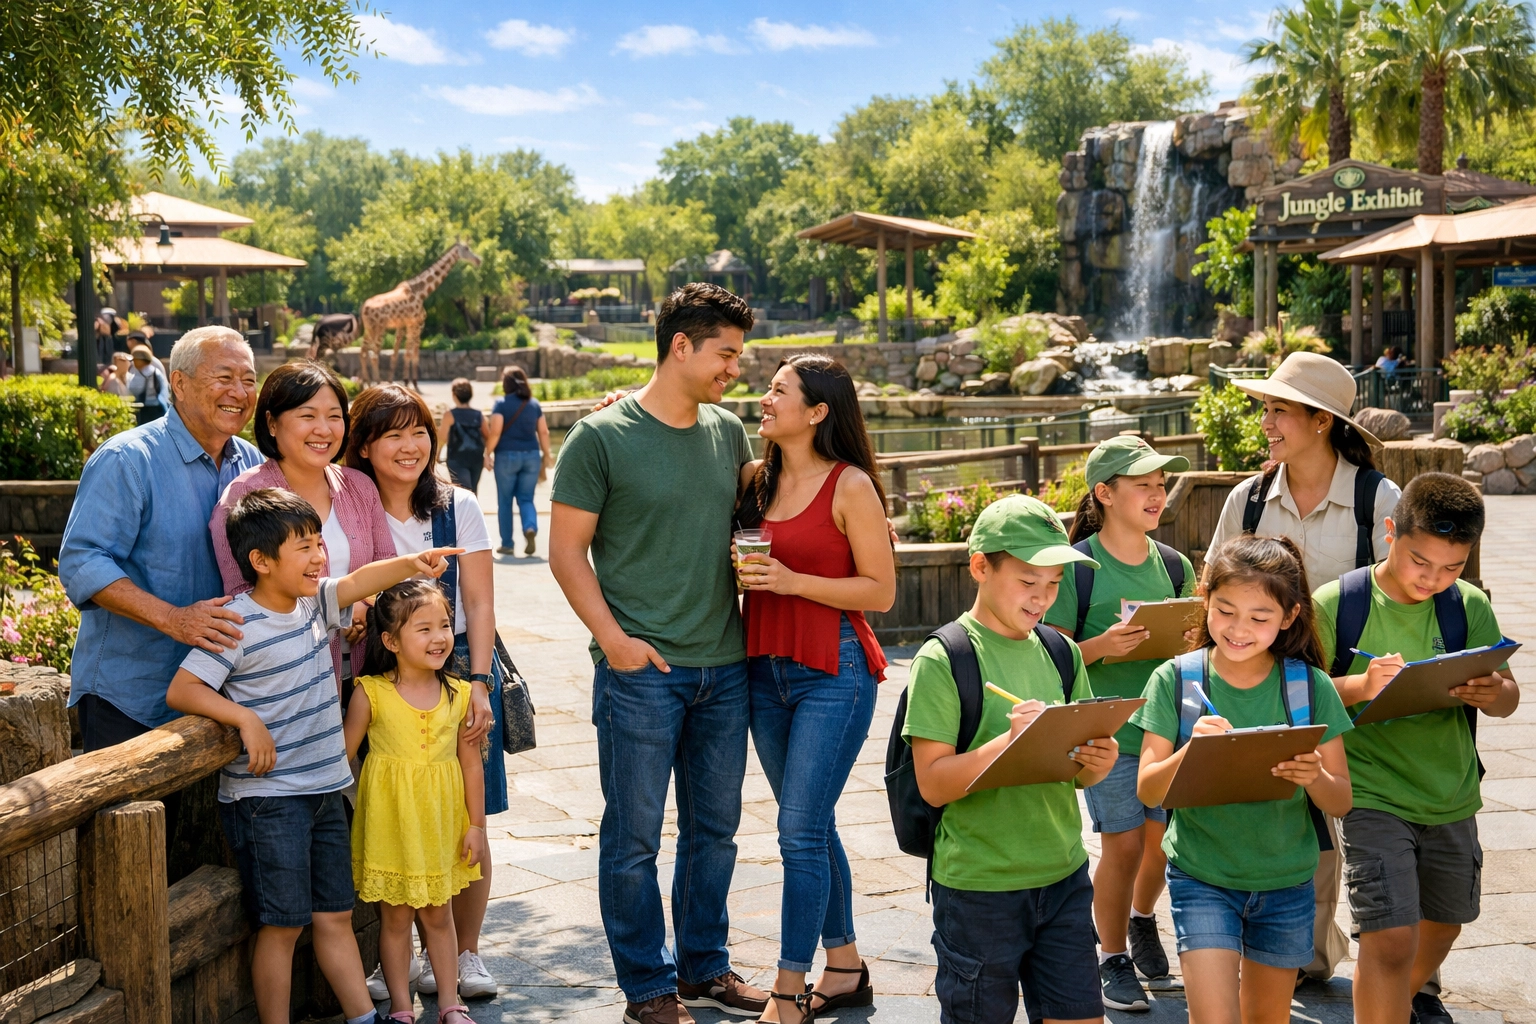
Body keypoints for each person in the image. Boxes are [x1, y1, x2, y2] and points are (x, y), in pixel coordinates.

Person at [549, 282, 767, 1024]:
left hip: (725, 668)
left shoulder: (729, 432)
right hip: (640, 675)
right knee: (634, 837)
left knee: (715, 834)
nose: (736, 368)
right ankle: (647, 984)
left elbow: (762, 519)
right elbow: (566, 552)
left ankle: (705, 968)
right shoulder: (599, 438)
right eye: (727, 353)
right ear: (681, 345)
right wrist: (614, 643)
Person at [164, 487, 459, 1024]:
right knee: (281, 925)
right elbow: (183, 690)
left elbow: (357, 582)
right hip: (268, 799)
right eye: (304, 546)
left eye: (318, 543)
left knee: (336, 915)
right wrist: (244, 718)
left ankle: (362, 1016)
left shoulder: (311, 605)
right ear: (260, 560)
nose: (319, 555)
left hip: (324, 789)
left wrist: (410, 564)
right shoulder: (235, 622)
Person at [1207, 351, 1400, 978]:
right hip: (1264, 684)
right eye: (1266, 407)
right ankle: (1304, 954)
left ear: (1321, 421)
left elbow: (1401, 594)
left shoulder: (1379, 497)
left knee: (1371, 827)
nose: (1266, 421)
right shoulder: (1250, 497)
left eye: (1279, 410)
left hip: (1367, 693)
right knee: (1296, 813)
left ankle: (1403, 971)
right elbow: (1213, 590)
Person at [901, 494, 1116, 1024]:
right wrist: (1006, 743)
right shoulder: (944, 657)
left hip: (1064, 873)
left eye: (1054, 584)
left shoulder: (1061, 652)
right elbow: (932, 784)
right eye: (1027, 580)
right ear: (980, 566)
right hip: (979, 888)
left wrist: (1099, 759)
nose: (1042, 597)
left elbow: (1082, 775)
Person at [1313, 473, 1519, 1024]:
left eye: (1452, 567)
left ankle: (1394, 1004)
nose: (1433, 578)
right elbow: (1298, 696)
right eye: (1420, 561)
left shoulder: (1467, 607)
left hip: (1451, 792)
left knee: (1447, 921)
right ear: (1389, 532)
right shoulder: (1339, 603)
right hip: (1371, 793)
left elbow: (1508, 697)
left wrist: (1493, 692)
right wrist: (1359, 686)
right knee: (1388, 937)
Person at [733, 355, 895, 1023]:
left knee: (797, 831)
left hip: (835, 670)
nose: (764, 399)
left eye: (778, 391)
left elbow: (881, 592)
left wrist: (794, 582)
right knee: (813, 824)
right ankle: (847, 965)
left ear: (818, 411)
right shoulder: (753, 479)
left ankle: (785, 991)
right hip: (762, 670)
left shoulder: (851, 486)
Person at [1133, 535, 1354, 1024]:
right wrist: (1193, 751)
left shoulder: (1309, 686)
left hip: (1288, 883)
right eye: (1225, 610)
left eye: (1259, 618)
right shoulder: (1176, 679)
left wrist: (1315, 775)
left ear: (1290, 617)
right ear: (1205, 597)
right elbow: (1148, 788)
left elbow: (1340, 801)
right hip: (1202, 876)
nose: (1237, 629)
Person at [345, 383, 502, 1001]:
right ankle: (398, 955)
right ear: (365, 444)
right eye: (392, 434)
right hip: (377, 660)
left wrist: (481, 680)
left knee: (466, 812)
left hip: (457, 658)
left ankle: (465, 954)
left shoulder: (455, 504)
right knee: (390, 806)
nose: (409, 447)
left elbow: (483, 597)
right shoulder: (352, 506)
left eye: (418, 433)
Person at [59, 326, 262, 753]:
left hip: (219, 699)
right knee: (126, 821)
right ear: (180, 383)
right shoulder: (128, 459)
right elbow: (82, 562)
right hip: (130, 697)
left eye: (248, 379)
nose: (239, 392)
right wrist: (174, 618)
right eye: (224, 377)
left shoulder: (253, 463)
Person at [1044, 436, 1192, 1012]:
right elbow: (1050, 651)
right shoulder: (1076, 568)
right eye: (1143, 486)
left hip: (1167, 732)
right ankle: (1110, 955)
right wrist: (1101, 646)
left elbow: (1197, 653)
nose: (1157, 495)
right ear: (1104, 494)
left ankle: (1140, 920)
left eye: (1161, 485)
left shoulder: (1175, 565)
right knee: (1123, 845)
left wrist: (1191, 640)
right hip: (1105, 734)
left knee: (1161, 846)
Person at [346, 580, 488, 1024]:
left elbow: (471, 766)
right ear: (390, 640)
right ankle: (402, 1008)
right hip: (390, 825)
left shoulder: (462, 695)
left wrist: (477, 826)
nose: (439, 637)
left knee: (439, 916)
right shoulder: (369, 692)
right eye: (423, 629)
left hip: (439, 824)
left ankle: (450, 1003)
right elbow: (342, 757)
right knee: (394, 921)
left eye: (444, 625)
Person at [211, 361, 396, 692]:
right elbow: (243, 598)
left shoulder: (360, 486)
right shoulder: (244, 497)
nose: (324, 429)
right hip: (289, 686)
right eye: (308, 416)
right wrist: (341, 608)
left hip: (367, 677)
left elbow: (387, 567)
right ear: (271, 422)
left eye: (335, 416)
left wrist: (365, 607)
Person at [485, 366, 550, 556]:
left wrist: (487, 453)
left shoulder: (501, 404)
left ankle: (507, 544)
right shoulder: (534, 404)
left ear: (506, 383)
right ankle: (530, 527)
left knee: (505, 501)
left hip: (506, 456)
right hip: (531, 456)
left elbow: (495, 431)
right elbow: (544, 431)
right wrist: (547, 453)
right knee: (526, 498)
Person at [441, 378, 488, 493]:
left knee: (462, 492)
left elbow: (442, 437)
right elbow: (488, 435)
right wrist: (488, 455)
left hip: (457, 458)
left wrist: (436, 455)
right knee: (473, 490)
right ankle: (473, 510)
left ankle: (465, 511)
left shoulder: (449, 415)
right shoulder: (479, 415)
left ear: (454, 395)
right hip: (476, 458)